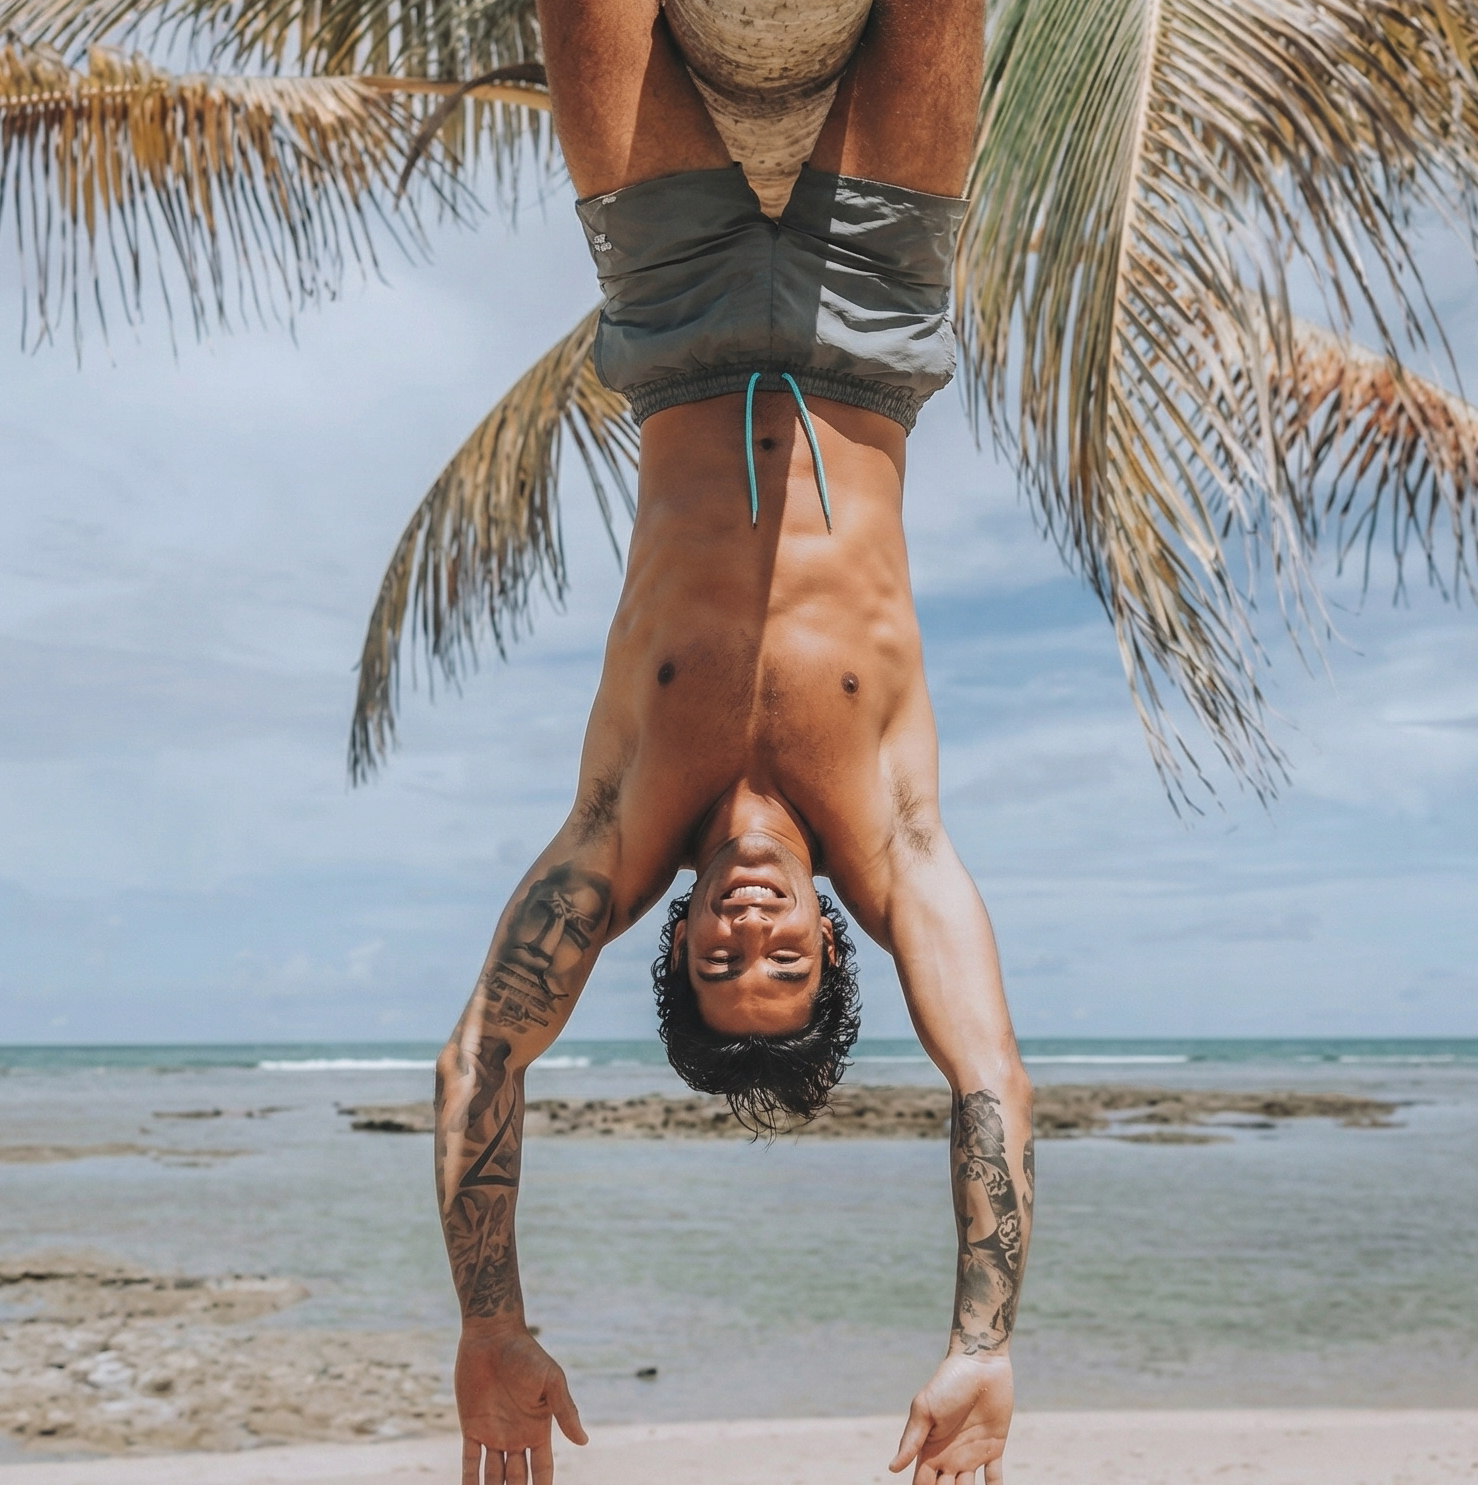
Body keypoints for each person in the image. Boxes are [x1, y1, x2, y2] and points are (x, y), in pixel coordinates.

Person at [434, 3, 1033, 1481]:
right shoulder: (897, 843)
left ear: (681, 934)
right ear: (837, 944)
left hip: (682, 318)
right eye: (788, 967)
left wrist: (489, 1321)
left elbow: (484, 1061)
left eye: (717, 965)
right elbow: (989, 1085)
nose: (751, 936)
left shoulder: (622, 822)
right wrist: (984, 1337)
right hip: (876, 317)